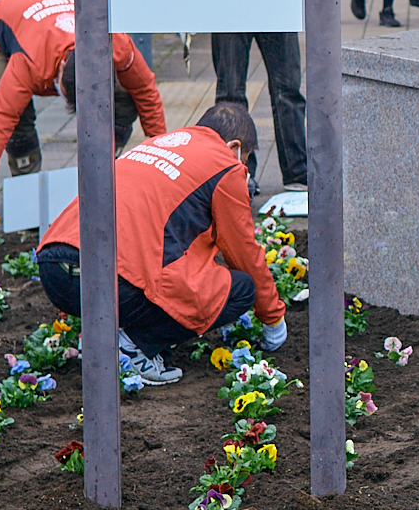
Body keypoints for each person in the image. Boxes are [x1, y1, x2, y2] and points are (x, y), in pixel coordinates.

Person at [35, 102, 288, 385]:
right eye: (246, 158)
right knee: (240, 289)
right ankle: (130, 346)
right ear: (234, 146)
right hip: (111, 282)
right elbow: (244, 253)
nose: (244, 168)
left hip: (53, 266)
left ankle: (101, 336)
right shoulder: (225, 165)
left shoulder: (157, 144)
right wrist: (273, 319)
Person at [0, 0, 167, 200]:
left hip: (52, 9)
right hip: (2, 22)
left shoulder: (116, 44)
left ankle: (106, 167)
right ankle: (26, 193)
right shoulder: (30, 63)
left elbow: (145, 90)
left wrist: (159, 151)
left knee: (125, 98)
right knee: (19, 119)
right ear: (58, 74)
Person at [210, 31, 305, 196]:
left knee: (286, 91)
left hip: (267, 9)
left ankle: (297, 171)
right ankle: (238, 171)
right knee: (231, 95)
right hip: (234, 8)